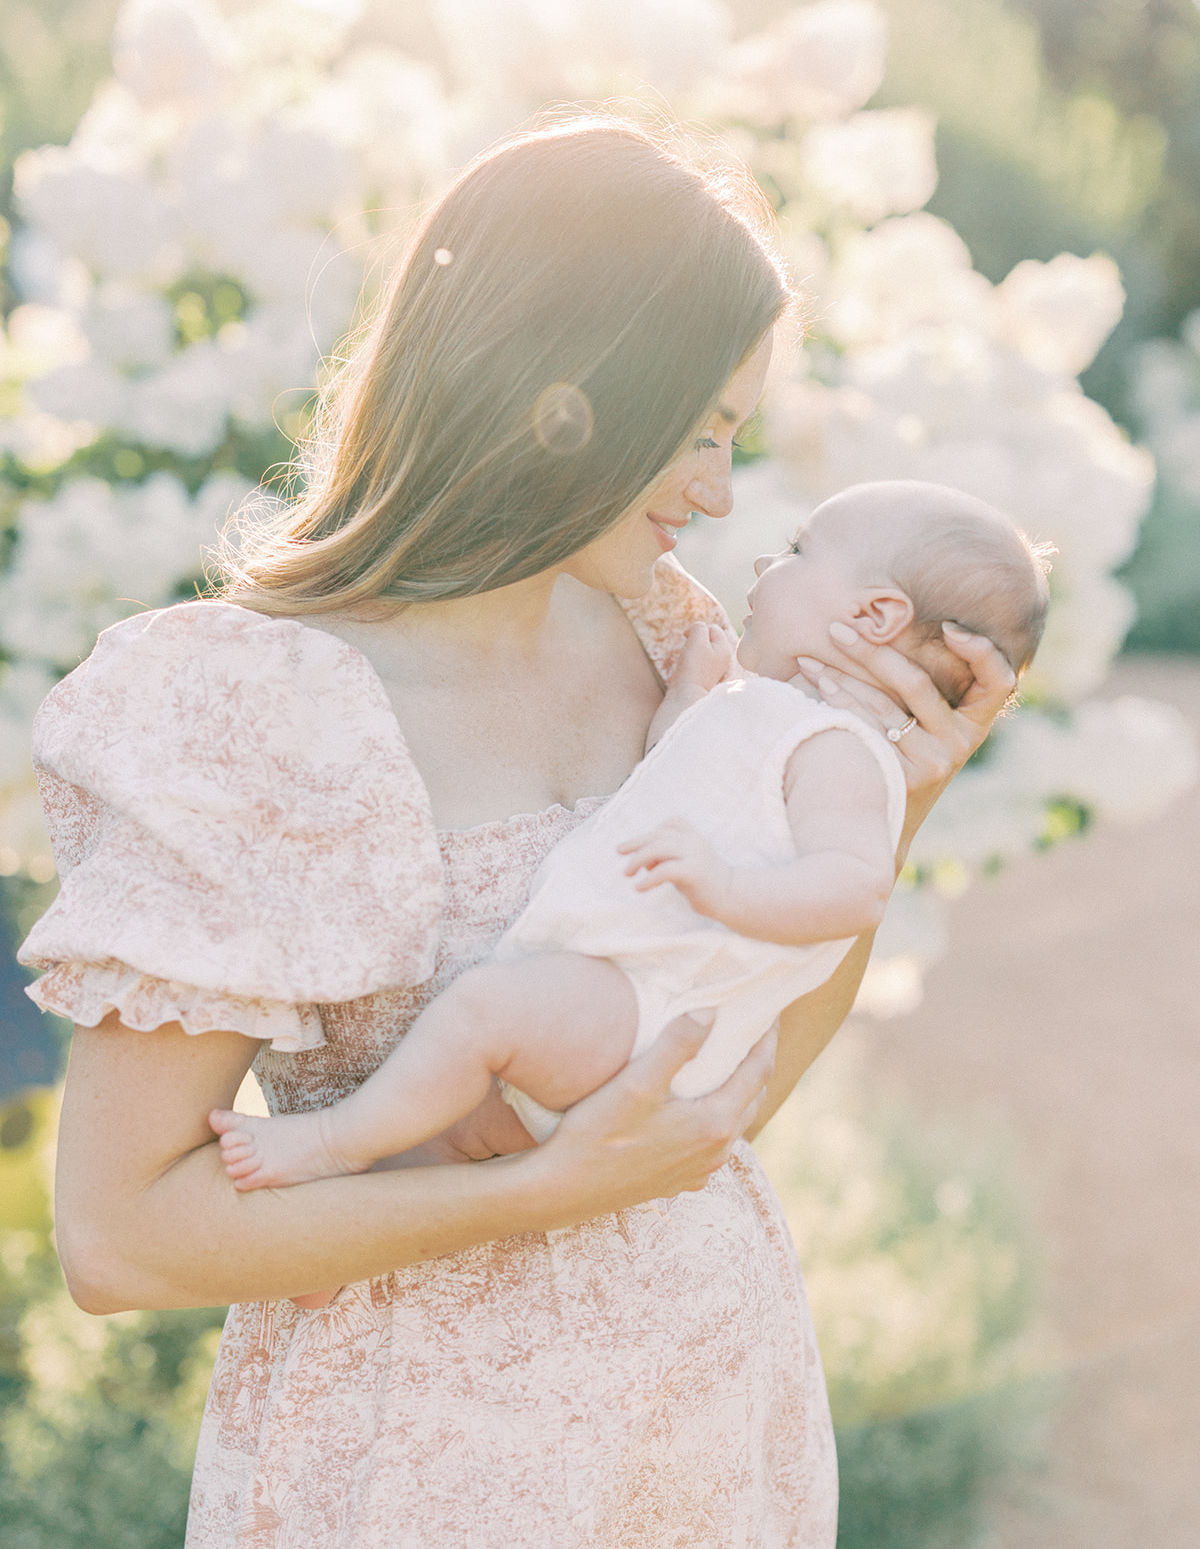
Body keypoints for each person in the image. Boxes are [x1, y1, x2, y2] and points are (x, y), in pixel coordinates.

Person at [20, 120, 1016, 1549]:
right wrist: (551, 1193)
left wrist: (886, 810)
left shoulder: (666, 641)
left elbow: (713, 1097)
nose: (723, 494)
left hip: (707, 1417)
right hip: (422, 1463)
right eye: (703, 432)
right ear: (569, 392)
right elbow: (120, 1238)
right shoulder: (244, 703)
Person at [207, 479, 1048, 1208]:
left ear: (875, 614)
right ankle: (340, 1240)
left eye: (797, 551)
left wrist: (724, 886)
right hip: (618, 986)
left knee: (480, 1015)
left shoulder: (843, 754)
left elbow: (854, 887)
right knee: (462, 1127)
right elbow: (675, 779)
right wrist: (688, 702)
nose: (764, 565)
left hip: (649, 1004)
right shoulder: (762, 710)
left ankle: (329, 1146)